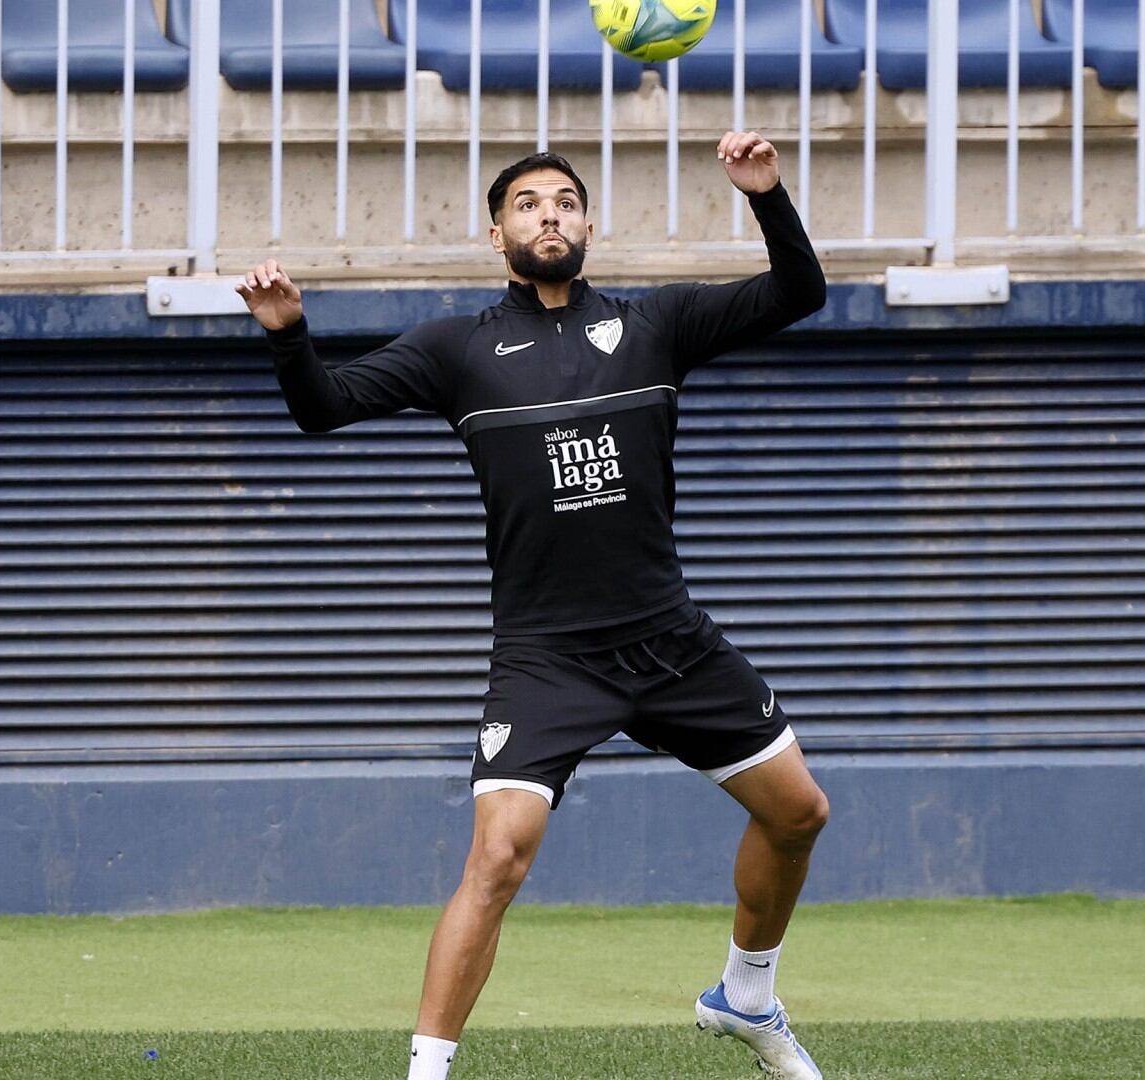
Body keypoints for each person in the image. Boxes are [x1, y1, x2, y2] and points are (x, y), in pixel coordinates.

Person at [239, 131, 830, 1080]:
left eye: (563, 201)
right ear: (495, 232)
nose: (547, 214)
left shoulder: (657, 326)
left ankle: (746, 998)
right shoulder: (456, 350)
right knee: (498, 859)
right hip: (549, 658)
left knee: (799, 813)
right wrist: (288, 334)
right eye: (526, 204)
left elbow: (800, 293)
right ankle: (425, 1073)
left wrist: (764, 195)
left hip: (671, 641)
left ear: (588, 224)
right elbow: (324, 407)